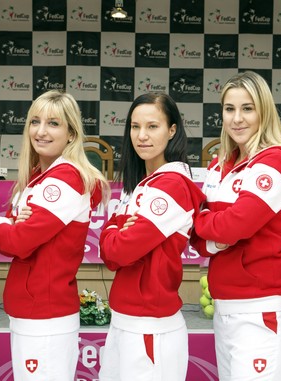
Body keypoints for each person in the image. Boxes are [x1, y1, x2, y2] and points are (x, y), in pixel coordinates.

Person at [190, 71, 281, 380]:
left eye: (248, 108)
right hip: (226, 306)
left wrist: (212, 228)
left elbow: (235, 225)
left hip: (263, 308)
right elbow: (197, 236)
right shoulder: (220, 163)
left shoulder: (276, 159)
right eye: (230, 109)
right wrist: (215, 236)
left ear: (263, 111)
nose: (237, 118)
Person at [0, 90, 109, 380]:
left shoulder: (66, 177)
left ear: (71, 134)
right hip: (32, 312)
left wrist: (0, 225)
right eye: (35, 121)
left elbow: (16, 242)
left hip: (45, 315)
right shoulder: (36, 176)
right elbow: (15, 236)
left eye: (53, 124)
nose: (40, 131)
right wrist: (12, 224)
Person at [98, 93, 205, 381]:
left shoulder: (173, 185)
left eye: (152, 126)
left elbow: (119, 251)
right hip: (125, 320)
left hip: (151, 328)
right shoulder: (138, 185)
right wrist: (116, 228)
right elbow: (108, 251)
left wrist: (114, 228)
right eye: (135, 127)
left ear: (172, 130)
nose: (142, 136)